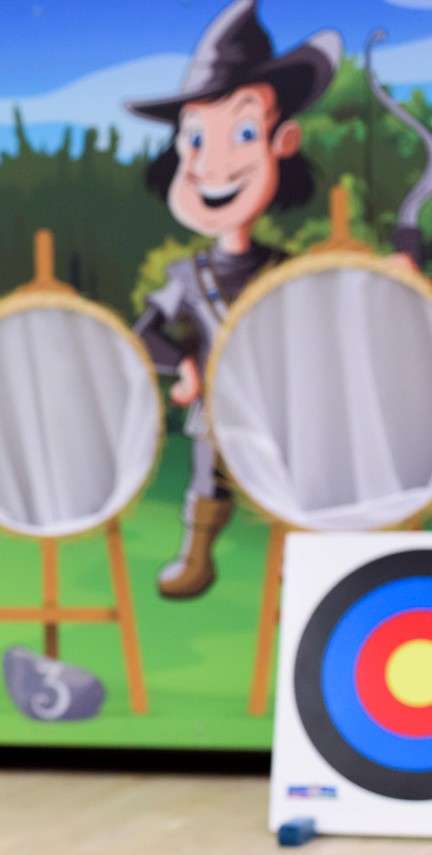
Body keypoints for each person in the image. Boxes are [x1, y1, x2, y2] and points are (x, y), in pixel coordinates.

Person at [125, 0, 339, 598]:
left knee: (303, 472)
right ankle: (198, 549)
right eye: (196, 138)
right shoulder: (189, 276)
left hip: (282, 406)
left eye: (242, 132)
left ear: (282, 139)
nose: (213, 164)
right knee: (209, 456)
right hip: (220, 405)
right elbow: (146, 331)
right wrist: (186, 367)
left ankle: (314, 558)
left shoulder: (282, 273)